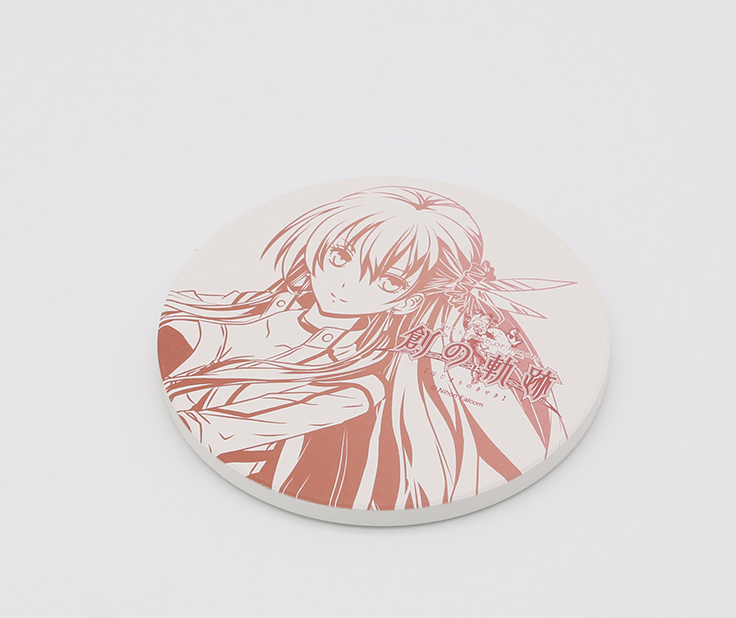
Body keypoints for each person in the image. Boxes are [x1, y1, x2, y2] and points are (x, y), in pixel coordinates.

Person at [158, 186, 571, 511]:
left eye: (388, 281)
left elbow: (214, 431)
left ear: (408, 301)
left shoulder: (353, 389)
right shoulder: (238, 305)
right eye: (340, 256)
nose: (344, 284)